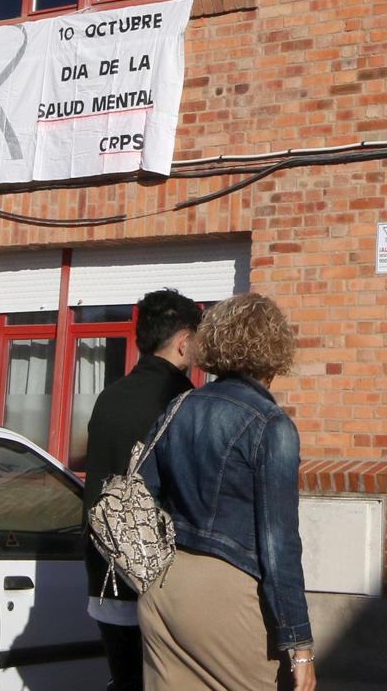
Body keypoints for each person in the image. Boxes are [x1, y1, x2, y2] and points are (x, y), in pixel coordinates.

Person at [139, 292, 316, 691]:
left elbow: (146, 493)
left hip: (164, 585)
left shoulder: (179, 405)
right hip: (228, 597)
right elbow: (279, 543)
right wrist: (300, 643)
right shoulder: (271, 424)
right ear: (275, 350)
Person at [82, 289, 203, 691]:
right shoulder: (185, 403)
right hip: (158, 583)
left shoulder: (108, 397)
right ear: (184, 341)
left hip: (105, 578)